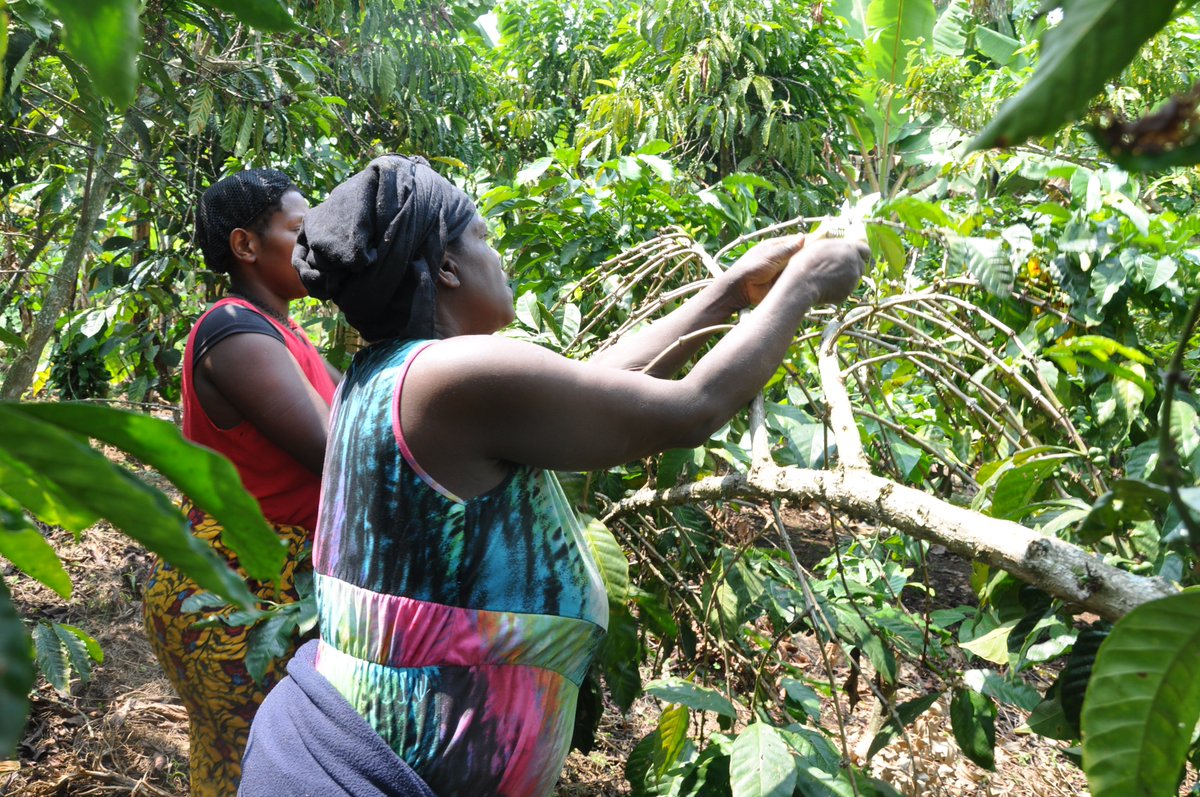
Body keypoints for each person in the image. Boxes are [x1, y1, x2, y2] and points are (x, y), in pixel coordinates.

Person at [239, 155, 867, 797]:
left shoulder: (393, 375)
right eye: (482, 236)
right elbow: (690, 409)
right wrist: (805, 286)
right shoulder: (446, 379)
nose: (498, 254)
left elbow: (596, 384)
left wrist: (732, 291)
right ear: (447, 267)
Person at [142, 169, 341, 797]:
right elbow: (340, 451)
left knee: (257, 766)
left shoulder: (287, 333)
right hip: (238, 594)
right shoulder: (231, 327)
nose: (315, 243)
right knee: (256, 768)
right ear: (246, 246)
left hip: (278, 586)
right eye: (298, 228)